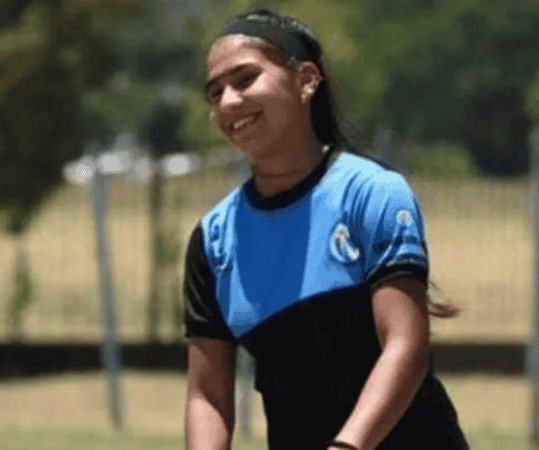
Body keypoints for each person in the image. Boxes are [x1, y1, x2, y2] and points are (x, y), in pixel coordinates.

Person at [183, 8, 469, 450]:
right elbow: (208, 396)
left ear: (307, 80)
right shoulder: (213, 239)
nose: (227, 103)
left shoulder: (371, 193)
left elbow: (405, 347)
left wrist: (347, 447)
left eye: (244, 80)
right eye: (215, 92)